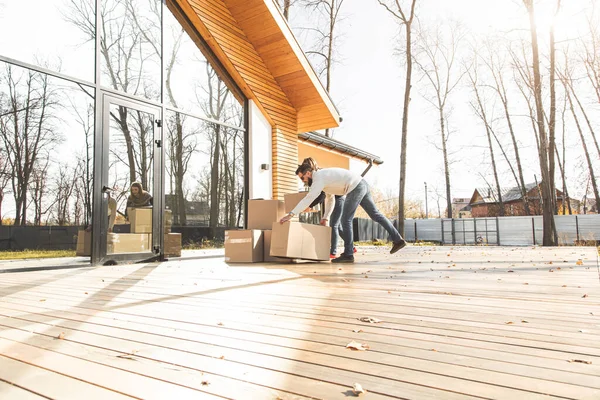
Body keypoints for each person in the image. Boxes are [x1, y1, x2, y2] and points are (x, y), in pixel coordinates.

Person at [280, 160, 406, 263]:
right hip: (362, 184)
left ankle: (348, 254)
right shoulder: (324, 178)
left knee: (346, 219)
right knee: (375, 214)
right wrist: (326, 217)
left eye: (302, 178)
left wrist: (290, 214)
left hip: (355, 187)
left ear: (308, 173)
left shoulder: (318, 178)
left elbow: (309, 198)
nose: (303, 181)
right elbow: (330, 200)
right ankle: (398, 240)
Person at [300, 158, 355, 258]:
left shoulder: (319, 175)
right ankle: (351, 246)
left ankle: (333, 252)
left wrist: (323, 215)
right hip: (335, 197)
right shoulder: (315, 177)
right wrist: (325, 215)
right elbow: (326, 197)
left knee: (334, 225)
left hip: (340, 196)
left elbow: (324, 197)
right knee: (337, 226)